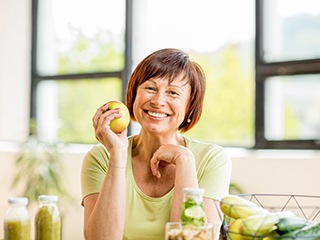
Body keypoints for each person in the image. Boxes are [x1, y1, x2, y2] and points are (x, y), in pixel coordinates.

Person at [81, 48, 232, 240]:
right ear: (134, 94)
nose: (158, 101)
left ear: (189, 106)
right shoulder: (100, 158)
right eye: (150, 88)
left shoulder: (212, 159)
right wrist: (117, 156)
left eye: (173, 93)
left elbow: (193, 239)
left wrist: (184, 161)